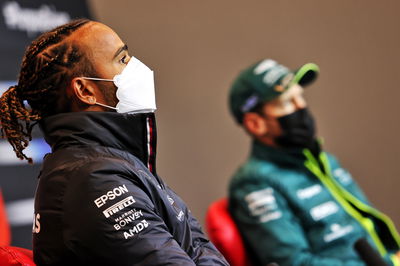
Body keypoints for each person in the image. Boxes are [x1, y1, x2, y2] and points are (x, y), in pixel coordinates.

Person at [0, 19, 228, 266]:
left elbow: (198, 245)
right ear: (85, 91)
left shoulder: (114, 163)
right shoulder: (94, 179)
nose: (136, 66)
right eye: (122, 59)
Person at [228, 58, 400, 265]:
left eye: (300, 96)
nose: (301, 106)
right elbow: (294, 262)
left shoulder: (324, 160)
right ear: (256, 124)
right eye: (287, 102)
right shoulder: (254, 183)